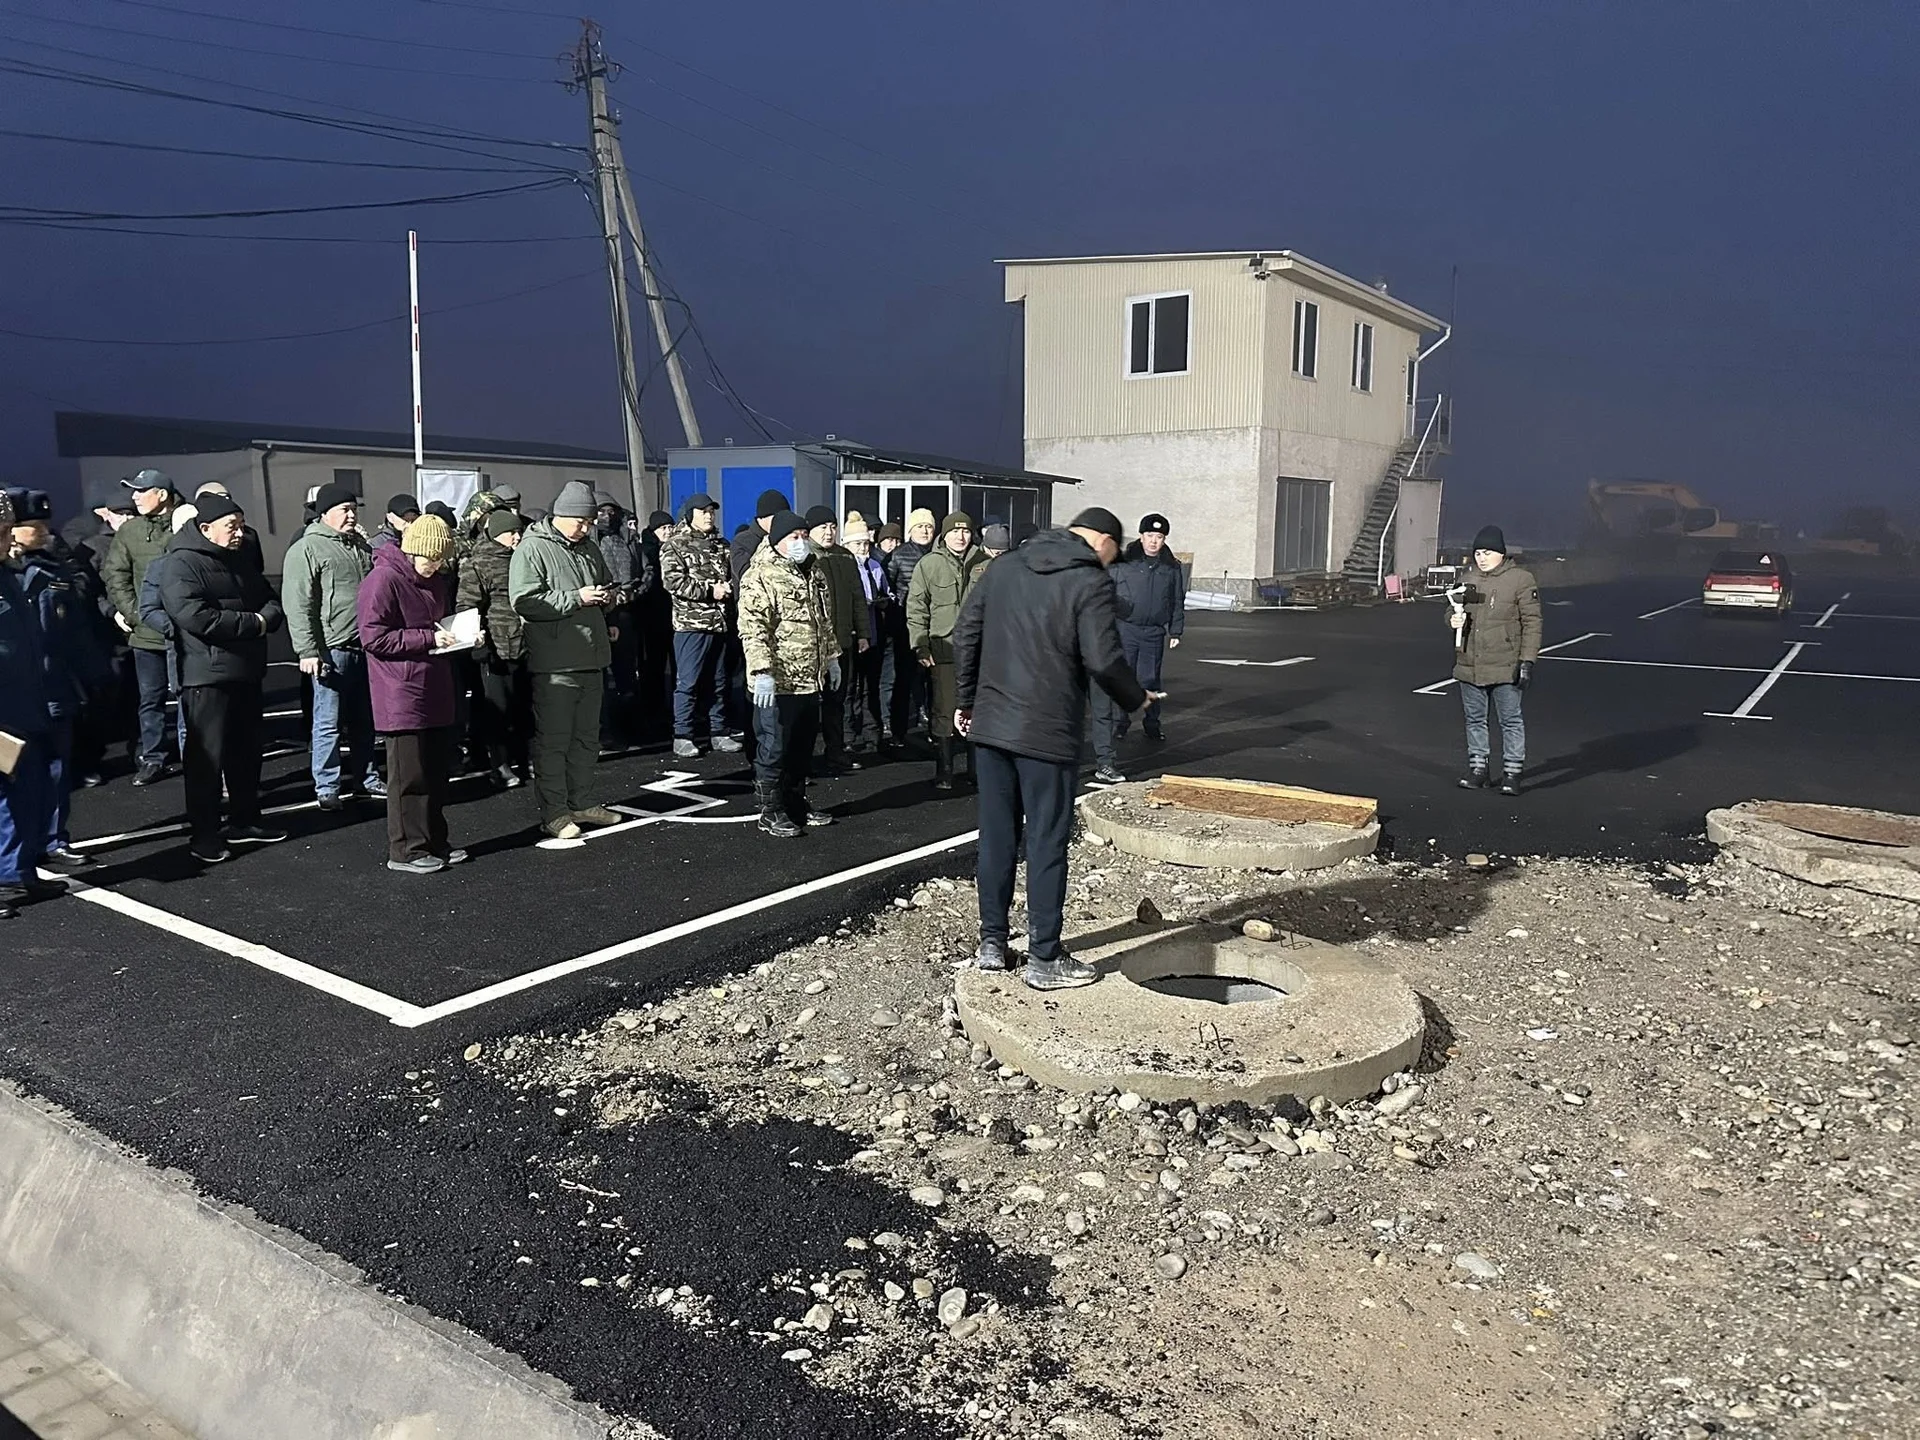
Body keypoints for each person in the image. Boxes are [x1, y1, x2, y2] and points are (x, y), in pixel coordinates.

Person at [954, 506, 1151, 991]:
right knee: (1045, 841)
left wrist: (966, 699)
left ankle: (992, 944)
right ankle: (1044, 957)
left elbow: (966, 632)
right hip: (1046, 731)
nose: (1112, 561)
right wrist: (1136, 698)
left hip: (992, 726)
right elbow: (1103, 658)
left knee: (996, 837)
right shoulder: (1088, 580)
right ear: (1103, 541)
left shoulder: (1004, 566)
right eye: (1114, 551)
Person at [158, 493, 286, 863]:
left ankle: (245, 820)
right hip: (206, 677)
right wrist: (254, 624)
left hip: (246, 672)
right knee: (206, 762)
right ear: (205, 528)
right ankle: (204, 835)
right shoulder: (181, 563)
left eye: (241, 525)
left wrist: (264, 619)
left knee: (246, 754)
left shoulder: (239, 557)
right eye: (232, 526)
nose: (240, 533)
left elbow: (269, 600)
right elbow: (196, 617)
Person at [510, 480, 622, 840]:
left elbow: (607, 583)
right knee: (554, 742)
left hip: (591, 657)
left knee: (587, 739)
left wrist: (609, 601)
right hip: (555, 664)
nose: (587, 529)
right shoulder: (533, 548)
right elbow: (524, 601)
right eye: (581, 522)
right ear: (562, 515)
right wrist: (576, 598)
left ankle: (582, 801)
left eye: (590, 523)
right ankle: (555, 813)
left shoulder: (588, 547)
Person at [7, 490, 111, 874]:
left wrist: (96, 673)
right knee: (15, 776)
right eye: (34, 526)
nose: (44, 532)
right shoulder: (9, 576)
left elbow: (75, 632)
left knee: (56, 768)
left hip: (54, 686)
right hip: (14, 694)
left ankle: (53, 840)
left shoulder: (54, 571)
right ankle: (18, 854)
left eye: (44, 524)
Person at [359, 515, 467, 874]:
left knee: (434, 773)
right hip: (400, 691)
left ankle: (435, 841)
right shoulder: (383, 579)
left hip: (432, 684)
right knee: (409, 777)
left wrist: (459, 635)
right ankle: (406, 849)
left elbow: (435, 624)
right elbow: (373, 637)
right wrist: (429, 638)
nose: (434, 565)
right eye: (429, 558)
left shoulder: (432, 580)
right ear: (412, 550)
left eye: (440, 559)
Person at [282, 481, 383, 811]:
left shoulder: (360, 546)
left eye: (354, 509)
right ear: (325, 512)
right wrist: (308, 650)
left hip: (364, 646)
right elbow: (299, 604)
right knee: (328, 722)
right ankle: (327, 786)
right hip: (332, 649)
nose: (352, 515)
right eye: (345, 509)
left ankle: (366, 779)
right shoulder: (307, 549)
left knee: (364, 720)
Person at [738, 511, 840, 838]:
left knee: (801, 747)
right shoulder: (760, 575)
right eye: (793, 537)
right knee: (773, 748)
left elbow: (823, 621)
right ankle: (770, 811)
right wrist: (762, 672)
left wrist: (832, 659)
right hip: (777, 681)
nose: (801, 542)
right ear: (777, 540)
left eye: (804, 536)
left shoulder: (813, 571)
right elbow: (753, 628)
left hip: (808, 678)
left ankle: (796, 803)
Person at [0, 489, 64, 920]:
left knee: (24, 793)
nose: (10, 538)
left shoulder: (8, 574)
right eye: (2, 530)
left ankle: (16, 873)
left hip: (22, 705)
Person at [1451, 525, 1541, 796]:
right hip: (1470, 663)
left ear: (1501, 553)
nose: (1482, 558)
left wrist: (1527, 661)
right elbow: (1452, 609)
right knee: (1474, 720)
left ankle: (1512, 773)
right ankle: (1478, 770)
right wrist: (1452, 619)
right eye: (1478, 553)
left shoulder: (1520, 580)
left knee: (1510, 720)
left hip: (1505, 665)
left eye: (1487, 552)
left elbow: (1532, 622)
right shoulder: (1468, 579)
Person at [103, 468, 177, 784]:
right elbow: (115, 574)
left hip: (185, 632)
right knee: (150, 700)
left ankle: (198, 754)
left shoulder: (186, 525)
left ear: (161, 494)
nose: (134, 497)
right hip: (145, 634)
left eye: (140, 490)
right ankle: (153, 757)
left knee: (192, 698)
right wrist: (134, 613)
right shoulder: (130, 531)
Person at [907, 511, 987, 790]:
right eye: (954, 531)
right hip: (943, 650)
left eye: (965, 531)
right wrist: (920, 645)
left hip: (980, 651)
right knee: (944, 709)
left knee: (979, 710)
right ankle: (945, 770)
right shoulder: (929, 564)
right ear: (945, 535)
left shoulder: (986, 564)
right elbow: (916, 608)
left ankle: (977, 771)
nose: (960, 537)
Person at [659, 493, 741, 758]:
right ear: (690, 514)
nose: (709, 515)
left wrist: (728, 590)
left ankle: (719, 731)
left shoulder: (721, 544)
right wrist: (710, 591)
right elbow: (673, 582)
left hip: (720, 623)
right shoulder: (675, 545)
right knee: (688, 682)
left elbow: (731, 576)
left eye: (711, 511)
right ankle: (683, 735)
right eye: (703, 511)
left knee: (719, 681)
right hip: (691, 624)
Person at [457, 508, 531, 787]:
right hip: (496, 647)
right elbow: (467, 605)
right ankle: (499, 765)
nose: (517, 537)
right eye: (511, 532)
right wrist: (478, 644)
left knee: (524, 707)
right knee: (498, 710)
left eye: (519, 531)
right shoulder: (477, 564)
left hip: (526, 643)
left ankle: (524, 759)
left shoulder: (523, 559)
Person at [1109, 512, 1187, 745]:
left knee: (1150, 680)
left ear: (1164, 540)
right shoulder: (1124, 562)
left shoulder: (1171, 567)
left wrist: (1176, 630)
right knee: (1124, 678)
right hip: (1126, 628)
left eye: (1159, 537)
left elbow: (1176, 599)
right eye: (1150, 535)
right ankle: (1120, 723)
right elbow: (1107, 592)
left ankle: (1152, 724)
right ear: (1141, 536)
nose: (1154, 541)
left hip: (1153, 632)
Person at [807, 506, 864, 775]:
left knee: (837, 700)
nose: (829, 532)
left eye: (832, 526)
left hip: (841, 642)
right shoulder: (804, 556)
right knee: (808, 705)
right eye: (823, 527)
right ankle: (803, 759)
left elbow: (857, 597)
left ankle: (835, 751)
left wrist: (863, 633)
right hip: (811, 645)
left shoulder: (844, 556)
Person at [594, 496, 651, 750]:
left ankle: (630, 727)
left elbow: (646, 571)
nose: (607, 516)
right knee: (599, 678)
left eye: (611, 511)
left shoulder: (626, 539)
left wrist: (634, 592)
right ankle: (603, 729)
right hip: (598, 611)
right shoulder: (589, 541)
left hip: (626, 613)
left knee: (627, 674)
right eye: (601, 511)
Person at [841, 514, 893, 755]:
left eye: (865, 543)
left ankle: (872, 733)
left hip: (873, 632)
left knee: (871, 686)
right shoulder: (844, 567)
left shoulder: (875, 566)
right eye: (857, 544)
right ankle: (848, 735)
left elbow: (887, 592)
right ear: (847, 545)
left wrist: (884, 601)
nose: (863, 548)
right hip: (850, 634)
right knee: (849, 687)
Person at [886, 508, 936, 744]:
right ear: (911, 530)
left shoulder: (939, 553)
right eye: (920, 527)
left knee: (934, 682)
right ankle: (899, 732)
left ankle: (936, 730)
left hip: (935, 626)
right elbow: (888, 587)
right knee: (903, 680)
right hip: (905, 627)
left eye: (928, 527)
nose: (925, 531)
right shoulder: (898, 555)